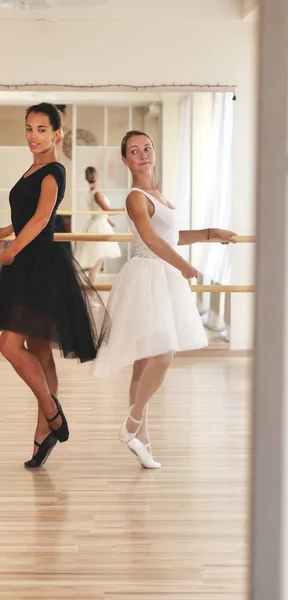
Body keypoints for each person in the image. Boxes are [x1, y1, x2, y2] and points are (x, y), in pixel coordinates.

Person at [93, 130, 236, 469]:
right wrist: (185, 266)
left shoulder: (158, 194)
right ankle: (131, 425)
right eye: (134, 151)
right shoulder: (135, 197)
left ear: (153, 153)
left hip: (162, 273)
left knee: (144, 364)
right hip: (149, 275)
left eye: (147, 148)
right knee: (163, 354)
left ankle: (142, 441)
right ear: (125, 160)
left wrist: (210, 234)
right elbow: (153, 240)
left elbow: (172, 235)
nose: (142, 154)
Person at [0, 103, 109, 469]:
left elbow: (42, 219)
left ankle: (52, 414)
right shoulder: (35, 167)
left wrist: (13, 249)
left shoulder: (53, 170)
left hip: (37, 266)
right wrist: (9, 229)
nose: (32, 136)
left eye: (41, 129)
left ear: (57, 134)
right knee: (38, 350)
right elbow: (33, 212)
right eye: (28, 128)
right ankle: (45, 432)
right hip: (28, 263)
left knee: (9, 345)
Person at [74, 166, 122, 287]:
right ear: (97, 177)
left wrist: (108, 220)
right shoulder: (97, 194)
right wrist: (123, 209)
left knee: (96, 261)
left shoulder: (91, 193)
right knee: (96, 262)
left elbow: (100, 211)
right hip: (98, 226)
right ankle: (92, 288)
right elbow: (107, 210)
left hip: (97, 223)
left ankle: (91, 288)